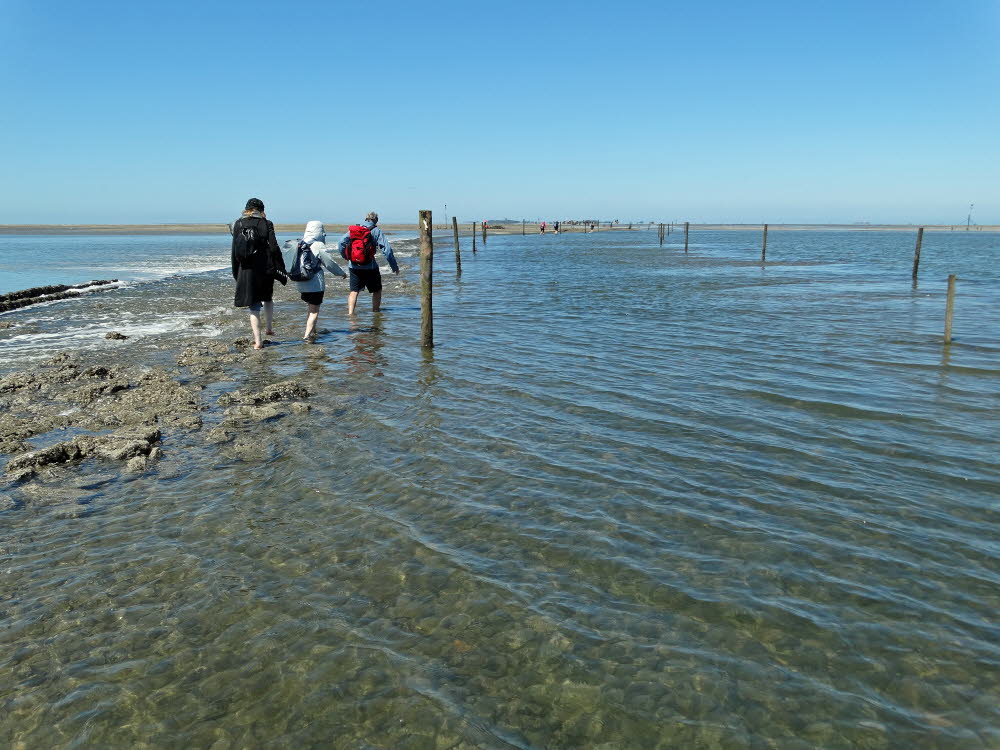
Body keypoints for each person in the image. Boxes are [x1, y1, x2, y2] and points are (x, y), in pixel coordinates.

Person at [280, 221, 347, 341]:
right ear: (320, 232)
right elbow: (329, 263)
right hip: (315, 284)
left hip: (301, 282)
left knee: (311, 310)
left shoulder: (300, 243)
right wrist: (341, 273)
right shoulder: (317, 245)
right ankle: (306, 337)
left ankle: (313, 331)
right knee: (314, 312)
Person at [231, 198, 284, 350]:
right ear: (261, 210)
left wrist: (236, 272)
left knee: (254, 306)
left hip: (246, 269)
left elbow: (235, 250)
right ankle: (268, 328)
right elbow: (274, 247)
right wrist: (280, 267)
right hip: (265, 268)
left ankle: (258, 341)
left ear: (246, 209)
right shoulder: (267, 223)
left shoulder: (238, 224)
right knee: (267, 297)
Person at [336, 211, 399, 315]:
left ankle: (351, 315)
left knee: (354, 291)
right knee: (377, 290)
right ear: (376, 221)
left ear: (365, 219)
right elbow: (387, 250)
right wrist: (394, 266)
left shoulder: (355, 230)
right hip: (371, 267)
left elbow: (341, 242)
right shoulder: (376, 231)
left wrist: (346, 256)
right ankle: (376, 313)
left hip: (353, 266)